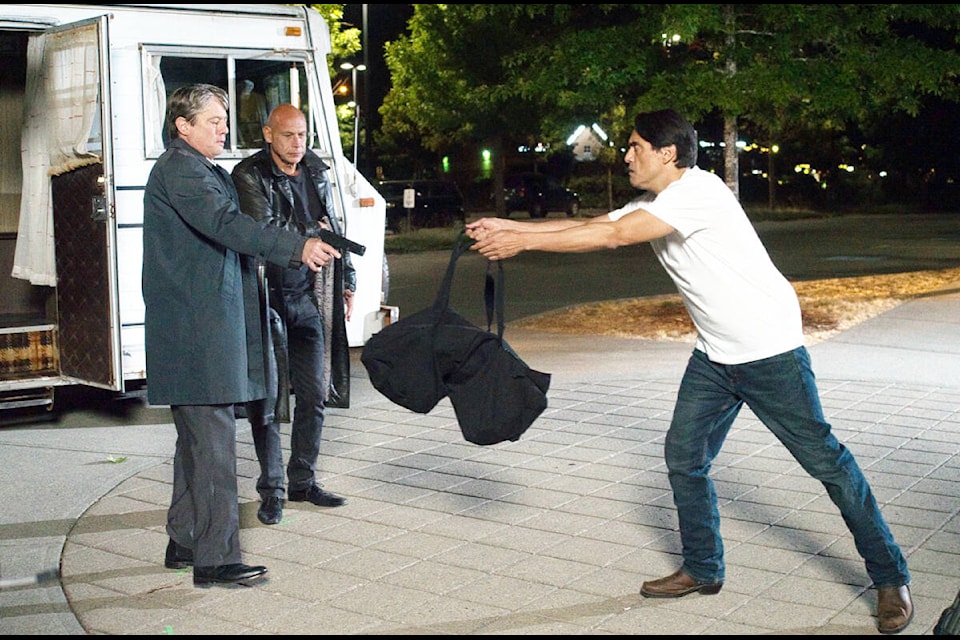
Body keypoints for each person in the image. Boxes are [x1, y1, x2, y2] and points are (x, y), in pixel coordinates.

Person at [465, 109, 913, 635]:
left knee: (828, 466)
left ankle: (890, 578)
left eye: (635, 146)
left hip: (769, 352)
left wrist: (523, 240)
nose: (626, 154)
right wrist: (512, 228)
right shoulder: (657, 201)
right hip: (716, 356)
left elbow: (615, 237)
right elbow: (597, 225)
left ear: (668, 153)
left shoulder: (700, 193)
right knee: (684, 456)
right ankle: (703, 568)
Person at [142, 84, 341, 587]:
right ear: (183, 126)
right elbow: (229, 224)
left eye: (224, 119)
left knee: (196, 447)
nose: (224, 128)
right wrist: (297, 247)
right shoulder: (183, 170)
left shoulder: (198, 168)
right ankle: (216, 559)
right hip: (196, 332)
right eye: (213, 120)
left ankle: (183, 541)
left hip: (198, 327)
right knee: (212, 448)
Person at [232, 104, 354, 526]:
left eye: (302, 135)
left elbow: (335, 225)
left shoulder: (318, 170)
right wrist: (311, 229)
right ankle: (272, 490)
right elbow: (262, 228)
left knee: (315, 394)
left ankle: (302, 480)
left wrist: (349, 281)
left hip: (310, 298)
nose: (297, 143)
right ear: (268, 134)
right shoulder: (249, 175)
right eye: (288, 135)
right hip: (267, 299)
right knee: (267, 402)